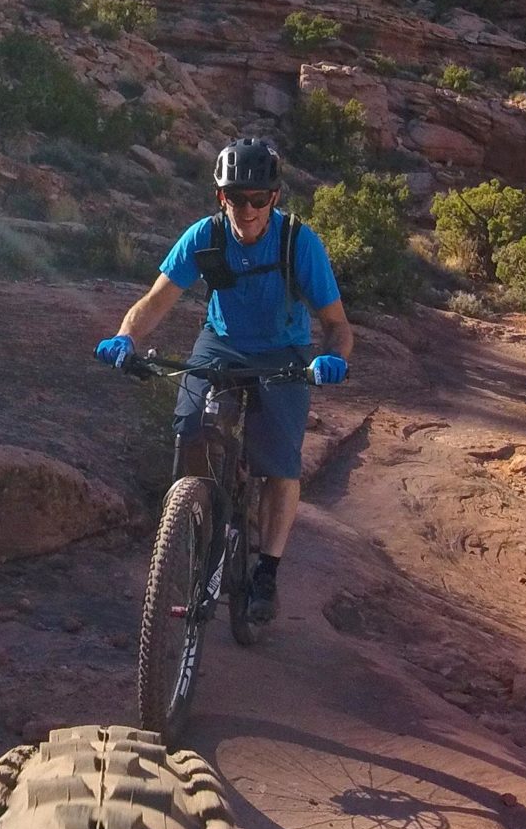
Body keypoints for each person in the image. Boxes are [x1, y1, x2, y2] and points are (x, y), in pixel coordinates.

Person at [95, 138, 351, 624]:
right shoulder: (205, 237)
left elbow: (338, 324)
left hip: (284, 350)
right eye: (237, 197)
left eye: (258, 198)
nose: (247, 209)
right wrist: (125, 337)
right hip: (222, 342)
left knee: (279, 463)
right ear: (222, 198)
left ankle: (267, 572)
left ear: (274, 198)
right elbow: (156, 300)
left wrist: (332, 358)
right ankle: (196, 517)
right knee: (189, 425)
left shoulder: (299, 241)